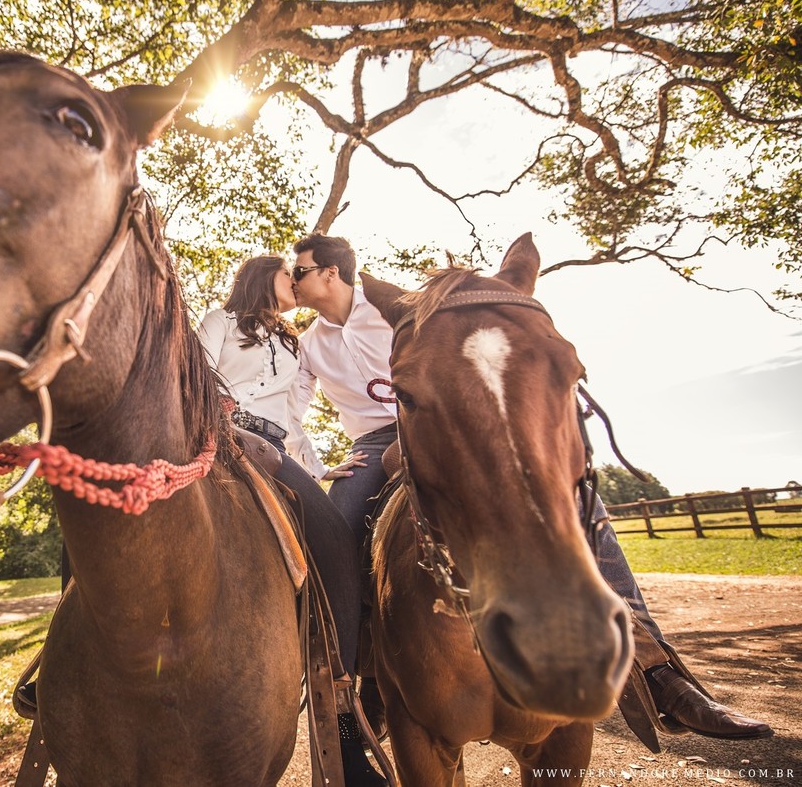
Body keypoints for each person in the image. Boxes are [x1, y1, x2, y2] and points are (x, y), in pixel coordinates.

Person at [286, 232, 772, 743]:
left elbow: (479, 357)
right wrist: (317, 464)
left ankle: (656, 669)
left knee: (579, 502)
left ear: (329, 273)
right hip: (370, 442)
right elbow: (292, 411)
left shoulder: (411, 309)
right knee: (336, 530)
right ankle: (370, 680)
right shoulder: (309, 344)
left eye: (299, 271)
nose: (294, 281)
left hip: (446, 421)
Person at [197, 255, 386, 787]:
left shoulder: (295, 343)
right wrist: (219, 420)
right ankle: (57, 659)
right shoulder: (221, 321)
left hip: (275, 451)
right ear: (265, 279)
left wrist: (325, 467)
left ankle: (344, 718)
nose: (296, 285)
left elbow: (292, 418)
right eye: (289, 276)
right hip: (217, 436)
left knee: (336, 544)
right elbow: (193, 373)